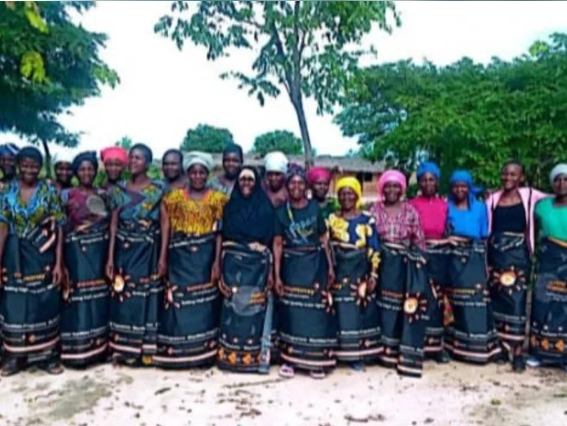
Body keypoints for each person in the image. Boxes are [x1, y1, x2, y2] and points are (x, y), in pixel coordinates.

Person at [155, 151, 226, 369]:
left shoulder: (218, 199)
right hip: (180, 259)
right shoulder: (173, 199)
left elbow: (220, 233)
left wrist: (217, 262)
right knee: (179, 302)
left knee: (204, 304)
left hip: (205, 260)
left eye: (202, 172)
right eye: (193, 172)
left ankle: (204, 352)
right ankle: (178, 351)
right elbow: (166, 227)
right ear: (187, 174)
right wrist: (163, 257)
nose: (197, 176)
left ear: (207, 174)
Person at [0, 146, 66, 376]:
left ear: (40, 168)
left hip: (42, 253)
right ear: (18, 166)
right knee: (15, 304)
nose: (29, 170)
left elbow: (59, 227)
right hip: (14, 255)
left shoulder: (49, 192)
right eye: (25, 165)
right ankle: (15, 357)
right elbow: (2, 228)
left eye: (34, 166)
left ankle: (47, 356)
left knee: (44, 303)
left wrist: (59, 263)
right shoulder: (6, 192)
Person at [106, 143, 169, 367]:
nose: (133, 161)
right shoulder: (118, 190)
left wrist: (163, 256)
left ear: (148, 163)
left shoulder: (159, 189)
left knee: (148, 297)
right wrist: (110, 257)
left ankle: (146, 350)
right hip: (124, 251)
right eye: (131, 157)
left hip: (148, 251)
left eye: (138, 158)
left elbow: (165, 223)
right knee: (124, 296)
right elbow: (113, 224)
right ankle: (124, 349)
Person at [273, 164, 336, 380]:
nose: (297, 187)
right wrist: (277, 275)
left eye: (301, 183)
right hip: (291, 267)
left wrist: (330, 265)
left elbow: (323, 239)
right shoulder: (281, 212)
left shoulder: (314, 209)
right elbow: (278, 244)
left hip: (316, 266)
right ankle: (289, 360)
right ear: (287, 186)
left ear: (306, 186)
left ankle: (315, 361)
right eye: (292, 183)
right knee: (292, 313)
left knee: (315, 312)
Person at [486, 161, 547, 372]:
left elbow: (555, 198)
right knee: (497, 302)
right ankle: (502, 348)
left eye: (513, 174)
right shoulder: (493, 199)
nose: (508, 178)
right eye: (505, 174)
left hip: (519, 256)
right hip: (496, 255)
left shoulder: (530, 195)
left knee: (518, 303)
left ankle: (518, 351)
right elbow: (488, 229)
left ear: (521, 177)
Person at [217, 166, 275, 373]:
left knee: (254, 309)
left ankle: (255, 359)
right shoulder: (229, 207)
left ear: (256, 182)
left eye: (250, 179)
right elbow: (222, 237)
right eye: (243, 179)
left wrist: (271, 272)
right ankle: (229, 358)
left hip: (258, 268)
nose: (246, 183)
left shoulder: (266, 208)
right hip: (232, 266)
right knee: (232, 307)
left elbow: (272, 242)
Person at [373, 170, 428, 377]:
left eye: (396, 186)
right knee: (382, 306)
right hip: (382, 263)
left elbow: (419, 240)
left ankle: (398, 351)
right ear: (382, 188)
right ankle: (381, 351)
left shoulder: (410, 211)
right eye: (388, 186)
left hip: (404, 265)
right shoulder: (374, 210)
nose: (392, 190)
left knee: (400, 307)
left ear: (402, 189)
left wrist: (420, 264)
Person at [445, 170, 501, 364]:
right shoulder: (446, 206)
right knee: (456, 301)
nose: (459, 190)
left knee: (477, 301)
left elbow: (484, 237)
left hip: (475, 257)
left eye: (463, 186)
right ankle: (456, 347)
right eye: (456, 186)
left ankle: (479, 347)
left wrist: (486, 264)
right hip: (453, 258)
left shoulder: (480, 207)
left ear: (469, 188)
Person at [60, 151, 110, 368]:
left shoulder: (104, 194)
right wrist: (62, 262)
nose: (86, 173)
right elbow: (60, 227)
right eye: (82, 169)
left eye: (90, 169)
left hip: (99, 254)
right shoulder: (66, 195)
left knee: (98, 299)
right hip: (75, 255)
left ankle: (99, 349)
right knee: (77, 300)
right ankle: (77, 351)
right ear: (75, 172)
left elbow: (111, 224)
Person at [327, 177, 381, 371]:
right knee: (340, 312)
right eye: (342, 193)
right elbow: (326, 245)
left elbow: (374, 248)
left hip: (360, 272)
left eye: (350, 193)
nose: (346, 197)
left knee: (359, 313)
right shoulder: (331, 219)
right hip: (339, 272)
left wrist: (373, 274)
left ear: (357, 195)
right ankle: (340, 353)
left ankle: (357, 355)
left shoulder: (367, 219)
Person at [409, 162, 451, 364]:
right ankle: (418, 344)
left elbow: (449, 231)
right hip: (419, 257)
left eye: (431, 180)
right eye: (424, 180)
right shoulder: (411, 205)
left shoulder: (445, 205)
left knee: (438, 302)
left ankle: (437, 347)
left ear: (437, 182)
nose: (428, 183)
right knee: (420, 300)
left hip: (440, 258)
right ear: (419, 182)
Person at [529, 164, 567, 371]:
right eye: (557, 180)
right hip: (547, 263)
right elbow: (532, 230)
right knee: (542, 305)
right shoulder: (542, 206)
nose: (561, 184)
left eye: (565, 179)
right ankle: (538, 352)